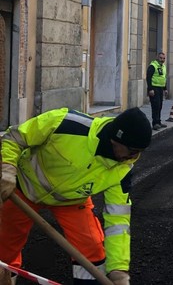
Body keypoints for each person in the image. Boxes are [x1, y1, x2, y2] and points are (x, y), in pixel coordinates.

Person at [0, 107, 153, 285]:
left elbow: (118, 220)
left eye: (138, 152)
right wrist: (7, 169)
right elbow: (15, 137)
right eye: (132, 151)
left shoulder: (123, 169)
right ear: (116, 139)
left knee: (92, 248)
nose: (134, 157)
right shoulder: (66, 124)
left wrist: (119, 270)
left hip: (71, 200)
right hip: (24, 187)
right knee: (6, 244)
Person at [147, 52, 168, 131]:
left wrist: (165, 89)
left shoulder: (163, 67)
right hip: (154, 88)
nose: (162, 60)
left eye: (163, 58)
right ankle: (155, 123)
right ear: (157, 58)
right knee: (155, 106)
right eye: (161, 58)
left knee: (160, 106)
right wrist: (150, 89)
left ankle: (159, 122)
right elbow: (148, 77)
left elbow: (163, 78)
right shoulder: (153, 66)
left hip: (160, 88)